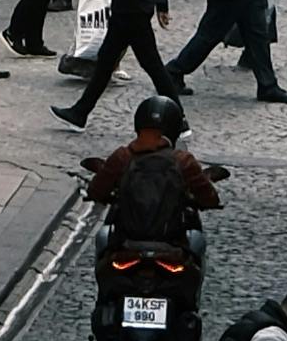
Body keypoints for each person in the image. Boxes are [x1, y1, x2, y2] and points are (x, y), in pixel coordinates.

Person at [81, 95, 222, 251]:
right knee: (196, 241)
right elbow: (209, 198)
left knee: (103, 238)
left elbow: (96, 190)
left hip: (126, 246)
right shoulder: (183, 161)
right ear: (174, 129)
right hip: (171, 246)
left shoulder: (122, 156)